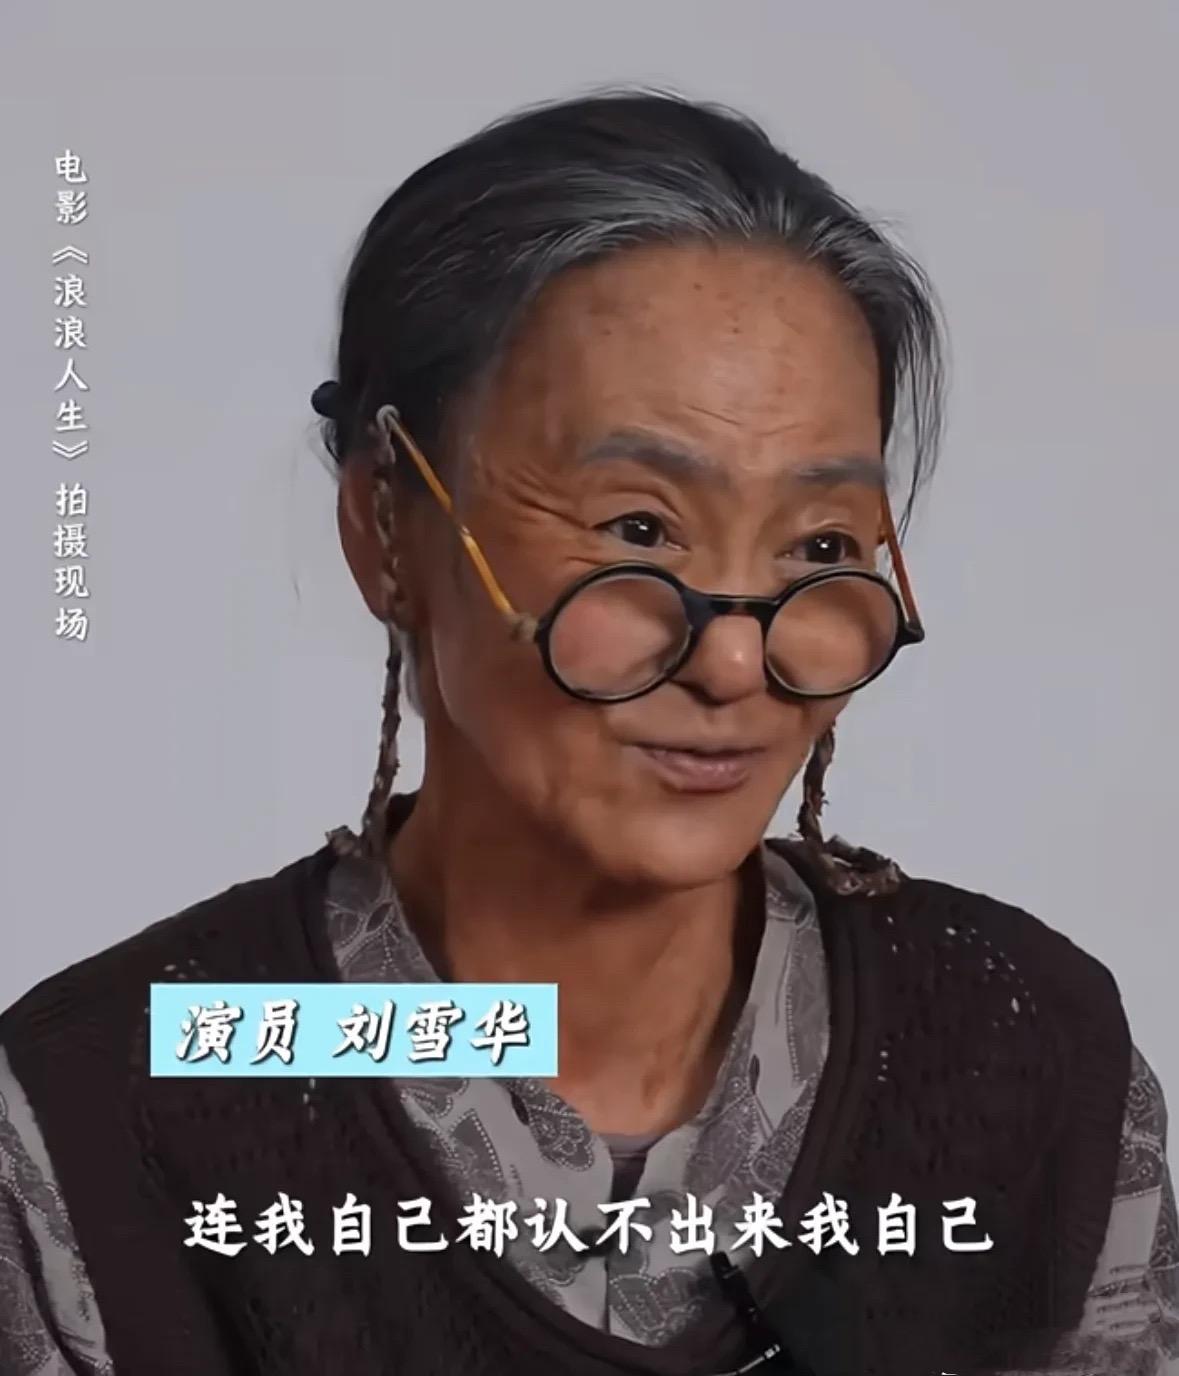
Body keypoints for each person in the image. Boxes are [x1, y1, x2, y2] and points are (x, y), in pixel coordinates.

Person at [1, 89, 1175, 1376]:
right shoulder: (103, 1116)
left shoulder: (1019, 1045)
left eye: (820, 545)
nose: (735, 660)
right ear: (387, 529)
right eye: (639, 530)